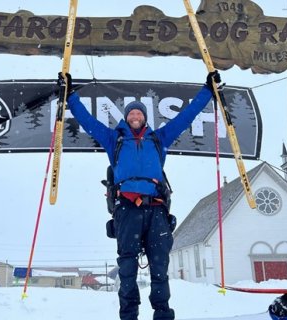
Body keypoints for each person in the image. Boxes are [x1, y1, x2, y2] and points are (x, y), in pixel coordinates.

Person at [59, 71, 220, 320]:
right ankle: (129, 315)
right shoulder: (115, 139)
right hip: (127, 209)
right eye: (131, 113)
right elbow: (87, 121)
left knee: (159, 267)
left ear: (144, 118)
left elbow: (187, 117)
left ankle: (162, 314)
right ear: (126, 118)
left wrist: (208, 90)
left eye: (139, 113)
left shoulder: (159, 138)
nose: (135, 116)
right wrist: (70, 96)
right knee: (127, 268)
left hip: (156, 210)